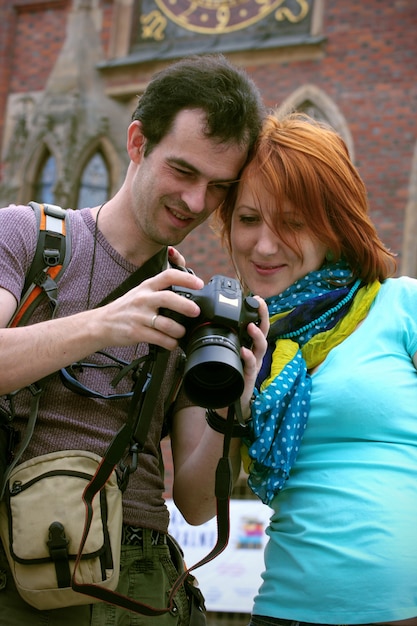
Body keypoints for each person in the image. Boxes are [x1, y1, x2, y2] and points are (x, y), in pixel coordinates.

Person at [0, 54, 268, 625]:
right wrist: (108, 323)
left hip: (142, 580)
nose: (196, 203)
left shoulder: (198, 311)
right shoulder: (29, 238)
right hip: (24, 563)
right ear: (138, 142)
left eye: (218, 187)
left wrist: (233, 394)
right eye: (184, 172)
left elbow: (196, 504)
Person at [216, 112, 417, 625]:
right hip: (286, 612)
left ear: (336, 224)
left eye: (293, 222)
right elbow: (199, 503)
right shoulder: (238, 342)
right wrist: (233, 411)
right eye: (248, 218)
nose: (264, 245)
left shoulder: (401, 305)